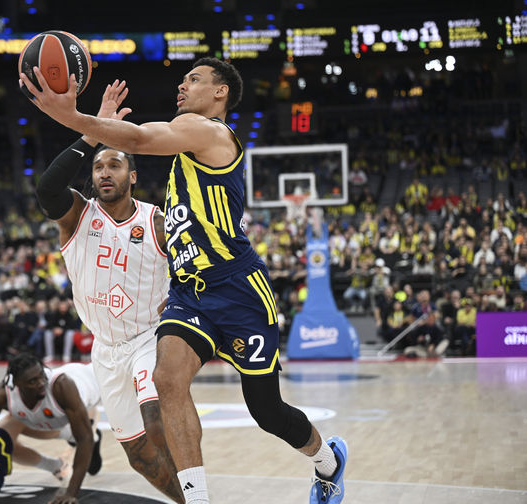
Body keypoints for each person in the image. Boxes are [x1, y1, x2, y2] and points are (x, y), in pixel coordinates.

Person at [21, 56, 348, 504]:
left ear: (220, 92)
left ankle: (327, 460)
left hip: (237, 288)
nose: (181, 86)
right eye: (182, 79)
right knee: (167, 379)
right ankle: (197, 500)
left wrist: (73, 117)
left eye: (193, 79)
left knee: (267, 411)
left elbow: (138, 138)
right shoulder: (184, 155)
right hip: (189, 295)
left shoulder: (208, 131)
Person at [31, 79, 182, 502]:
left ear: (132, 176)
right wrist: (90, 133)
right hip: (105, 350)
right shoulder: (77, 215)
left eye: (114, 166)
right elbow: (46, 189)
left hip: (149, 338)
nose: (104, 173)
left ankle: (200, 495)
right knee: (139, 456)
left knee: (156, 422)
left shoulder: (157, 222)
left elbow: (192, 271)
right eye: (98, 167)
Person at [0, 353, 102, 504]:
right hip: (51, 419)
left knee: (85, 437)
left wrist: (71, 493)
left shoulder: (61, 386)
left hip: (97, 383)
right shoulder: (2, 393)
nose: (41, 383)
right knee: (0, 440)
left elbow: (84, 439)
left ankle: (89, 433)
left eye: (42, 376)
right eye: (33, 381)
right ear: (16, 383)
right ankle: (57, 465)